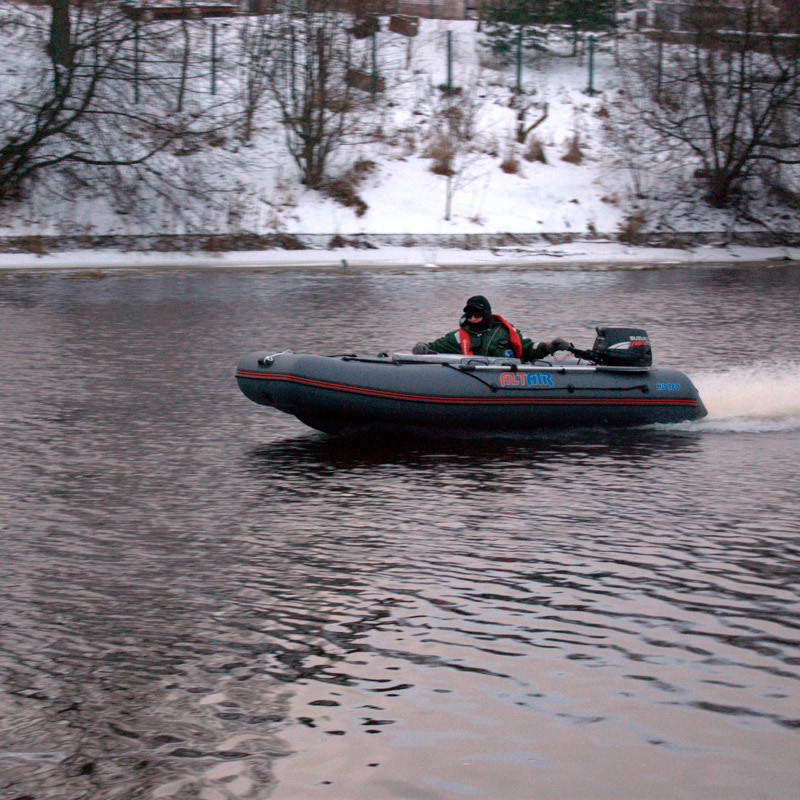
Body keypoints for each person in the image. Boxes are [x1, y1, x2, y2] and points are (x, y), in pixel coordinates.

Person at [412, 295, 570, 361]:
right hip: (475, 381)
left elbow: (528, 348)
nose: (473, 319)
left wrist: (549, 346)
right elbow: (434, 346)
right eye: (469, 315)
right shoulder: (458, 337)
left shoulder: (506, 331)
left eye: (477, 314)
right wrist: (422, 346)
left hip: (508, 380)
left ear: (486, 314)